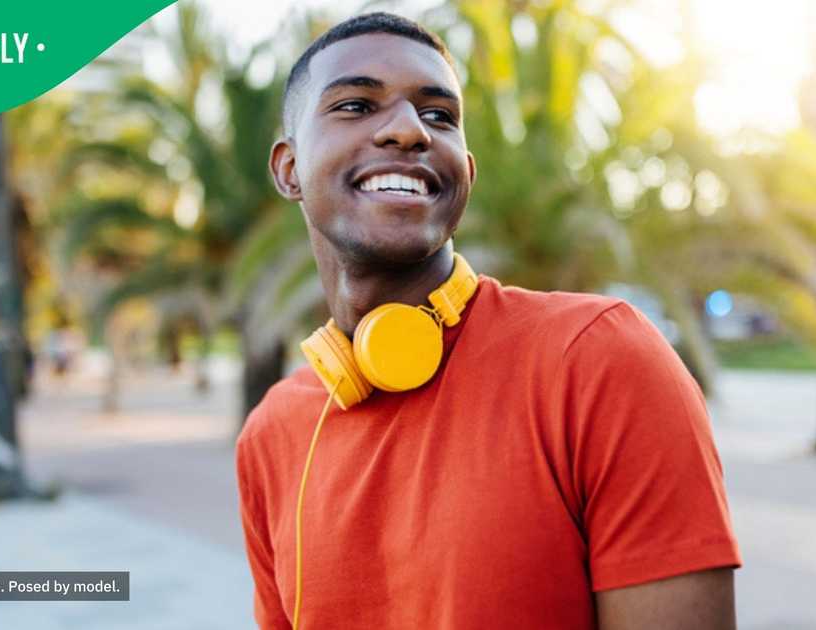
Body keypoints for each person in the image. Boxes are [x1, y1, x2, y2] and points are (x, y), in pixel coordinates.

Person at [236, 12, 741, 630]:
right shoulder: (271, 434)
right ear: (289, 169)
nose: (407, 130)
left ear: (465, 175)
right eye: (356, 105)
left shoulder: (598, 359)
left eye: (439, 115)